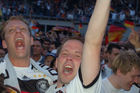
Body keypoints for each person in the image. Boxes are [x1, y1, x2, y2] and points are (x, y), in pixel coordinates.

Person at [46, 0, 111, 92]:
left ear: (85, 64)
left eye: (77, 55)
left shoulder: (81, 88)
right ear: (56, 62)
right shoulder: (48, 87)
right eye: (65, 53)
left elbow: (93, 42)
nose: (69, 58)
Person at [0, 16, 57, 93]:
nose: (18, 31)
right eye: (11, 30)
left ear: (31, 40)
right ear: (4, 43)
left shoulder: (53, 76)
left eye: (23, 29)